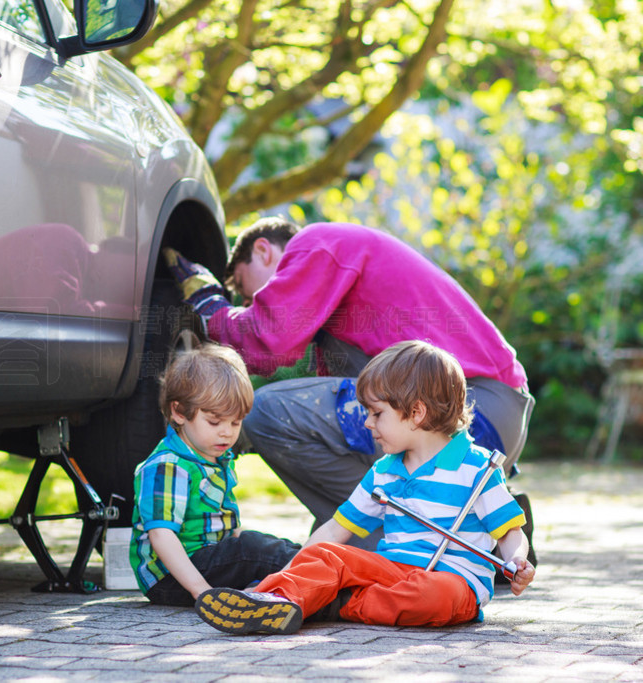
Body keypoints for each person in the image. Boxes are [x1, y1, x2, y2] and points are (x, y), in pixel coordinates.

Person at [164, 218, 535, 551]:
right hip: (491, 416)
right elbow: (279, 361)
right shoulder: (345, 292)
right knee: (329, 525)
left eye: (247, 294)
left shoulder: (318, 243)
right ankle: (468, 532)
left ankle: (402, 545)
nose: (250, 304)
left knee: (266, 413)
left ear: (263, 251)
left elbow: (269, 336)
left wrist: (210, 306)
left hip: (474, 409)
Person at [193, 340, 536, 635]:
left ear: (416, 413)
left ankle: (329, 604)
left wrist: (517, 561)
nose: (367, 422)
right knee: (327, 556)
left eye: (376, 413)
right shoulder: (384, 471)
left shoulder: (476, 467)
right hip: (390, 572)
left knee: (434, 596)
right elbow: (335, 531)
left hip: (453, 582)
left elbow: (509, 532)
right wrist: (291, 572)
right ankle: (273, 599)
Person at [131, 343, 302, 606]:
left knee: (265, 547)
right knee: (254, 551)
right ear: (179, 412)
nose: (227, 432)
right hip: (171, 578)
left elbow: (228, 527)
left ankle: (311, 574)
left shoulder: (214, 459)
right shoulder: (168, 465)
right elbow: (160, 535)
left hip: (206, 564)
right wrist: (201, 591)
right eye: (214, 422)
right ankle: (320, 586)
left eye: (235, 422)